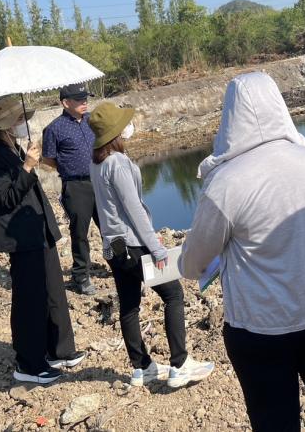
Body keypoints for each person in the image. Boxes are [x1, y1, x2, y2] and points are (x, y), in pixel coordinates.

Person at [179, 71, 305, 432]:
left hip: (263, 329)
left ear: (230, 118)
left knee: (274, 421)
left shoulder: (226, 182)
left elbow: (193, 264)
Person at [87, 102, 214, 388]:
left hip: (113, 247)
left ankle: (142, 367)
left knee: (129, 305)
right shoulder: (118, 164)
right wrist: (156, 248)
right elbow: (134, 209)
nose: (128, 127)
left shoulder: (96, 163)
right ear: (115, 132)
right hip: (132, 246)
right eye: (124, 124)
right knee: (173, 294)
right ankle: (180, 363)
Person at [0, 97, 85, 384]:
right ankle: (29, 364)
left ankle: (59, 350)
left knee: (53, 290)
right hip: (20, 236)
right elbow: (6, 199)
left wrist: (27, 162)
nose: (23, 122)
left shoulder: (11, 144)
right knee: (30, 299)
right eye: (19, 119)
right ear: (6, 123)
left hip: (38, 229)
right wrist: (26, 167)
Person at [42, 83, 100, 295]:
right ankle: (81, 276)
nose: (85, 102)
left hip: (99, 180)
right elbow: (48, 159)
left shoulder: (92, 120)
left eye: (86, 98)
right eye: (79, 99)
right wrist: (69, 168)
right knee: (80, 232)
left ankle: (119, 263)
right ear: (65, 103)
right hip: (75, 186)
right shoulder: (54, 129)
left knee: (109, 226)